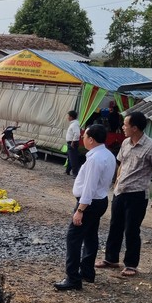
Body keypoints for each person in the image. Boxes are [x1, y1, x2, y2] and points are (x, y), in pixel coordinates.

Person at [95, 111, 152, 277]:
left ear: (135, 128)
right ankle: (111, 259)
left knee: (132, 230)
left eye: (125, 125)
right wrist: (117, 181)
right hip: (121, 192)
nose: (123, 127)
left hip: (137, 195)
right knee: (115, 226)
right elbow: (122, 163)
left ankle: (131, 264)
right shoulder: (126, 142)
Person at [54, 124, 117, 291]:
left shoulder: (95, 159)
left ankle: (73, 278)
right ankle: (87, 272)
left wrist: (80, 210)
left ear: (91, 139)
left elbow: (89, 187)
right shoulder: (107, 154)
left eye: (84, 136)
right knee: (90, 236)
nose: (82, 138)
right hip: (99, 200)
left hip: (89, 203)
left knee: (73, 238)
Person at [65, 110, 81, 177]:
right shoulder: (73, 124)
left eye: (68, 116)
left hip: (72, 143)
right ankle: (67, 171)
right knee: (70, 157)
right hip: (70, 142)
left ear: (71, 117)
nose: (67, 117)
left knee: (73, 158)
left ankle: (75, 173)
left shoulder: (74, 124)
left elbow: (77, 134)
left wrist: (73, 142)